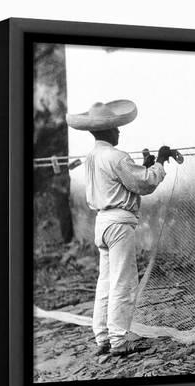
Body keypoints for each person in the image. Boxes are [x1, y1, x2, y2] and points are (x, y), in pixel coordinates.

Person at [66, 100, 172, 356]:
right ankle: (118, 341)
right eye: (116, 128)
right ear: (108, 130)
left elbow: (124, 181)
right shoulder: (117, 156)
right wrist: (159, 162)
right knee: (122, 283)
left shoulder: (91, 157)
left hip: (101, 222)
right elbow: (144, 184)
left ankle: (102, 337)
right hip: (119, 223)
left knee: (105, 282)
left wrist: (144, 165)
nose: (119, 132)